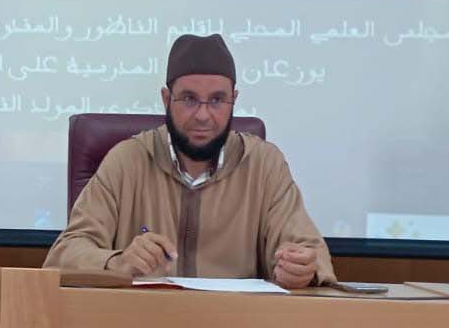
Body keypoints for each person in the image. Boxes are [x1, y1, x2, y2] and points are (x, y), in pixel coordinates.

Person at [44, 34, 335, 288]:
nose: (203, 115)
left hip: (238, 325)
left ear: (233, 100)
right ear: (166, 99)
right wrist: (116, 262)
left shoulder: (263, 165)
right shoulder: (127, 160)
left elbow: (310, 251)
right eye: (189, 99)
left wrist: (302, 270)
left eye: (217, 100)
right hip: (141, 324)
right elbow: (63, 255)